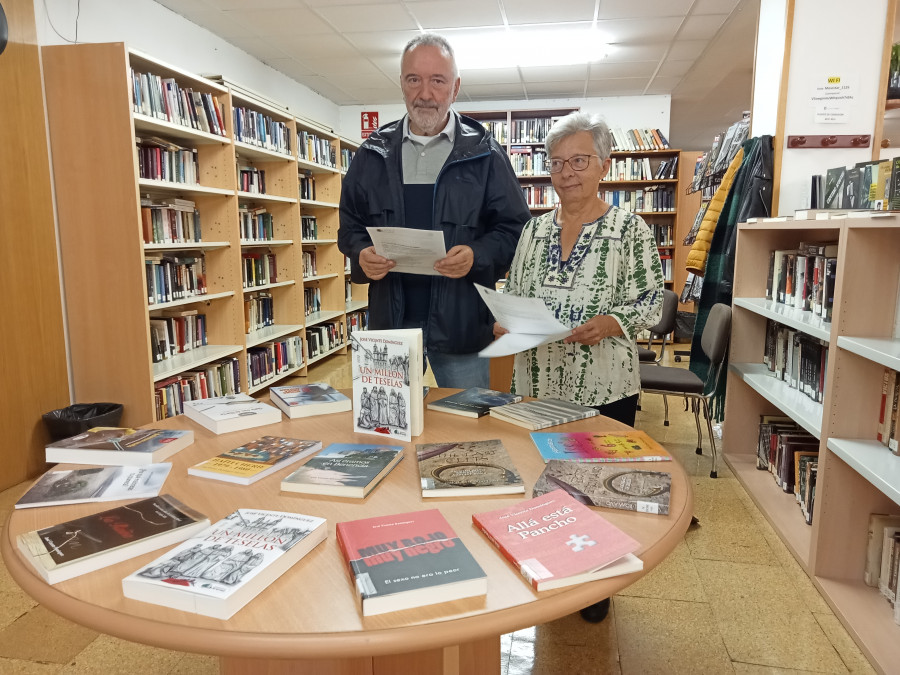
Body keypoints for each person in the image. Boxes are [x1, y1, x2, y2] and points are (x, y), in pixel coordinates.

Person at [493, 111, 664, 622]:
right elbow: (517, 294)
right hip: (537, 381)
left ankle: (596, 586)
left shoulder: (629, 230)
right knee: (545, 481)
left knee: (597, 487)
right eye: (558, 162)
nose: (568, 173)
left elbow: (653, 302)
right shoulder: (533, 231)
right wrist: (508, 321)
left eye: (580, 160)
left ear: (605, 164)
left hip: (604, 385)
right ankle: (551, 567)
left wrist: (614, 320)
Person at [338, 33, 530, 389]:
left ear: (455, 88)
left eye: (437, 81)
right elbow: (349, 225)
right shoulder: (372, 153)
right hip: (390, 325)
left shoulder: (486, 153)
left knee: (470, 430)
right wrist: (360, 252)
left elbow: (516, 229)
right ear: (402, 84)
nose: (425, 94)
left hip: (462, 324)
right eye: (414, 79)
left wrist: (476, 254)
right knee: (386, 426)